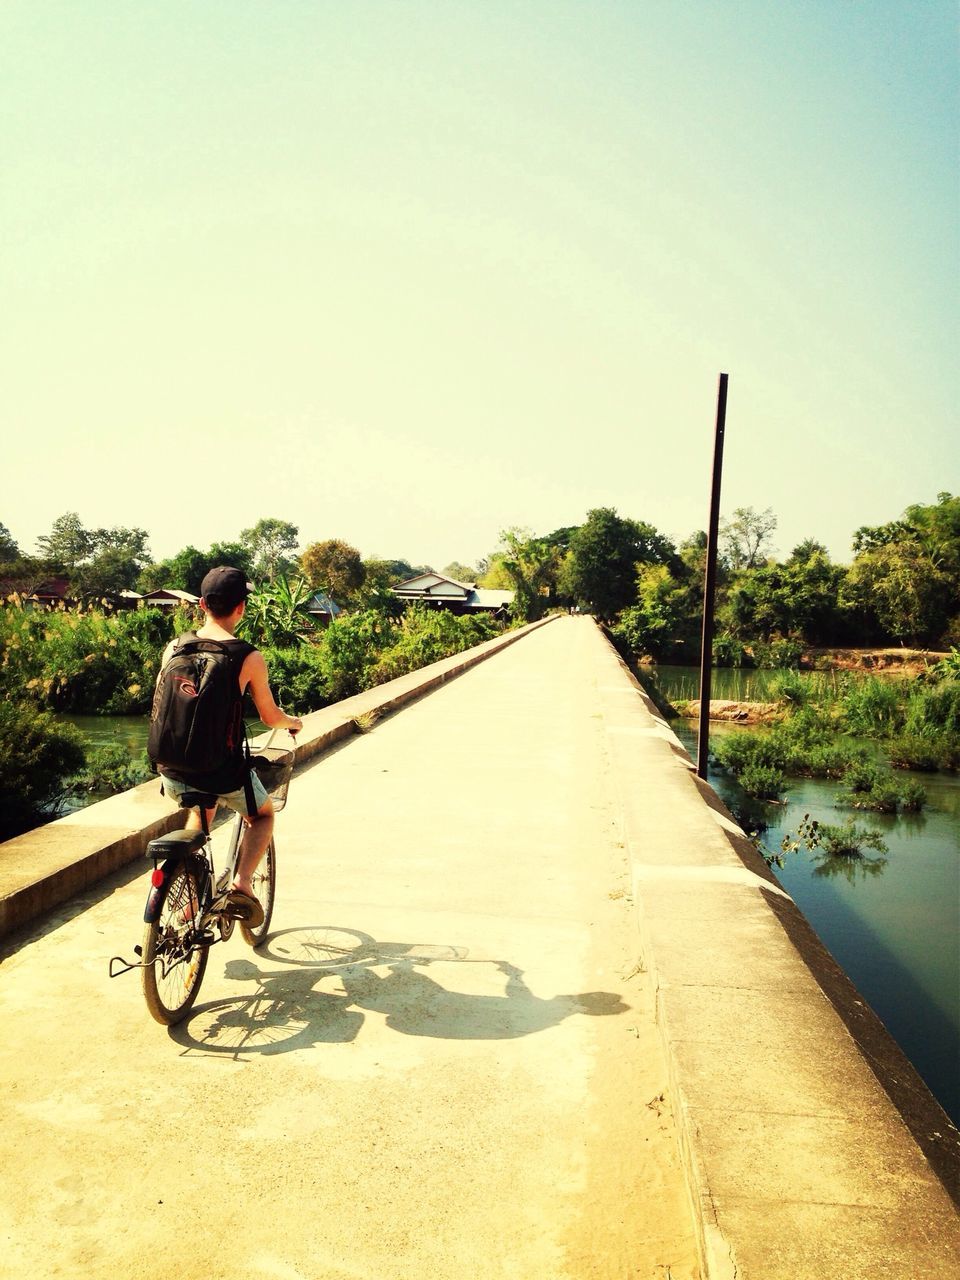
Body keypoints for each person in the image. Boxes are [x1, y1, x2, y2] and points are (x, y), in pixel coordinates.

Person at [156, 566, 302, 925]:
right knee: (262, 816)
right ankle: (242, 882)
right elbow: (270, 717)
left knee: (198, 815)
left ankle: (189, 902)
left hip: (170, 766)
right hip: (220, 769)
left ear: (203, 604)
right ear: (242, 608)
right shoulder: (247, 656)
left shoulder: (174, 647)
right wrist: (293, 723)